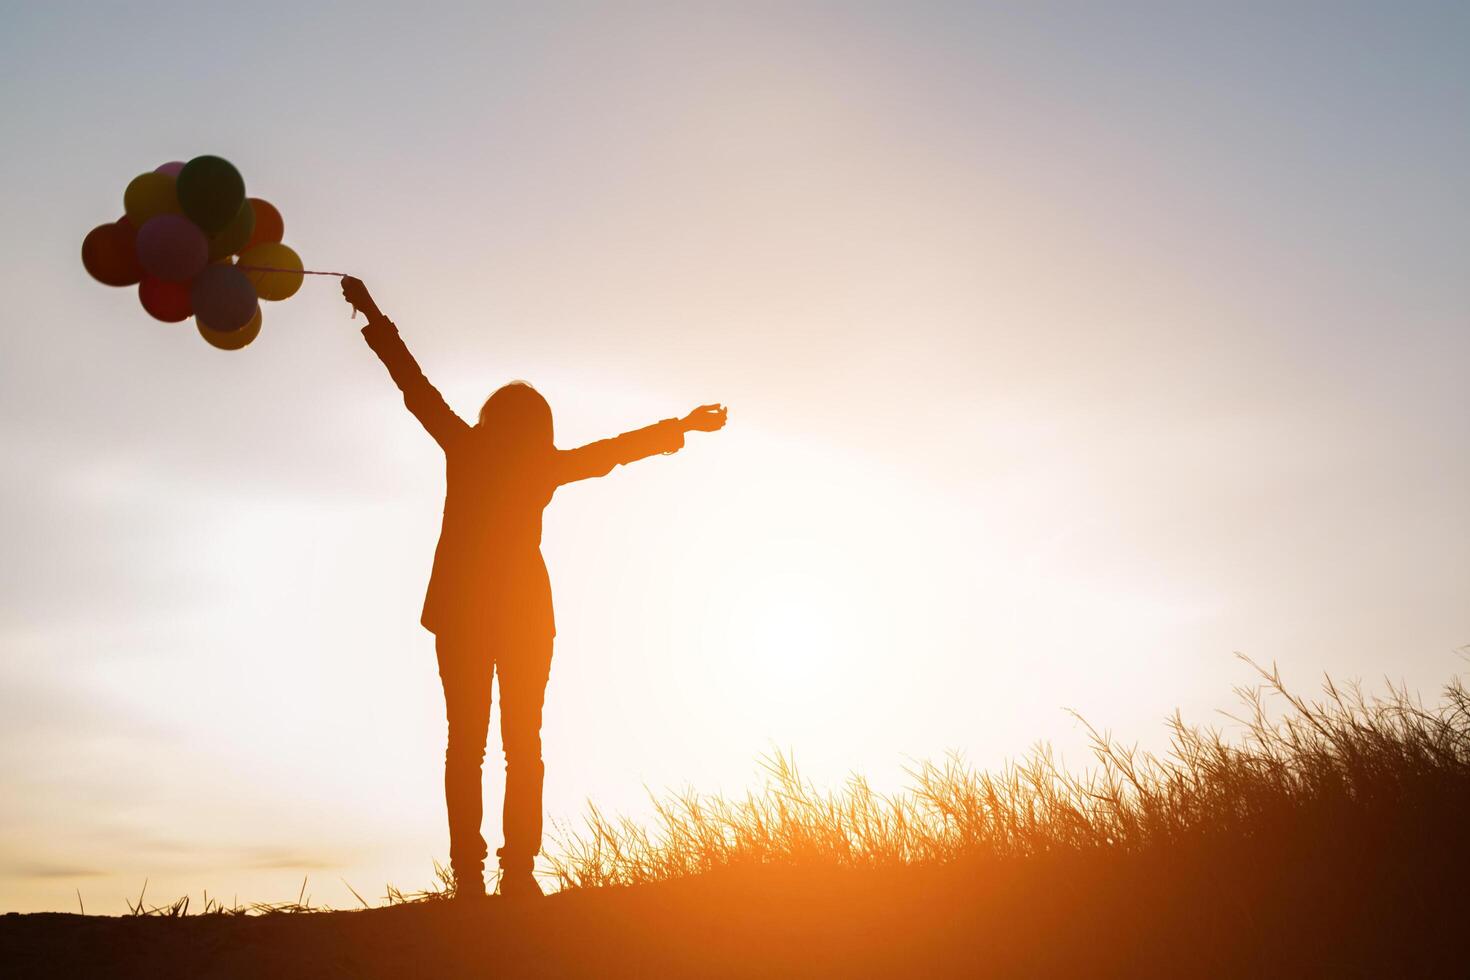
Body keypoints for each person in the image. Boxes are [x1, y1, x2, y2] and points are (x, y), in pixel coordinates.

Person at [342, 277, 727, 899]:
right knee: (522, 744)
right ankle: (516, 873)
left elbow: (413, 384)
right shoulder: (540, 463)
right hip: (522, 614)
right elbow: (614, 451)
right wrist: (678, 426)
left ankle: (472, 875)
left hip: (467, 614)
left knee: (467, 744)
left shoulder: (465, 446)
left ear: (492, 419)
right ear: (539, 426)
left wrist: (373, 313)